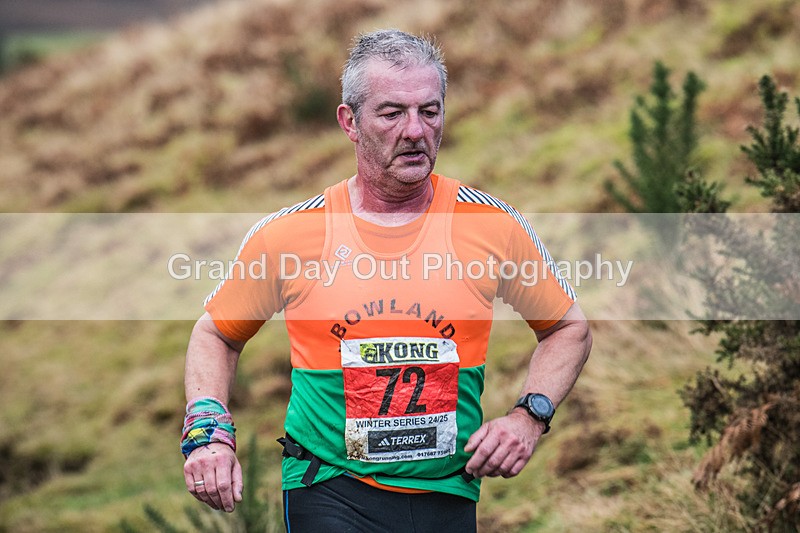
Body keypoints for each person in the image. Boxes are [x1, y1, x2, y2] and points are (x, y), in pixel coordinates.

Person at [181, 29, 592, 532]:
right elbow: (216, 333)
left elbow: (568, 328)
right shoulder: (291, 235)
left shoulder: (490, 225)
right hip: (327, 483)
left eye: (430, 111)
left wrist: (530, 416)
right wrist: (208, 433)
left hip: (447, 490)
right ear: (349, 122)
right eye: (393, 113)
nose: (415, 130)